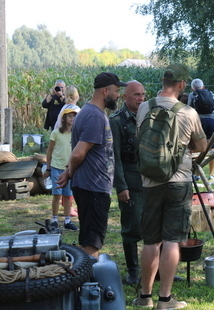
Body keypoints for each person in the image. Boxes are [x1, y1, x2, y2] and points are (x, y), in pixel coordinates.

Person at [133, 64, 206, 310]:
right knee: (172, 240)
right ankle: (165, 300)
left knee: (151, 241)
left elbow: (139, 138)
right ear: (182, 84)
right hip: (179, 181)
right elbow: (202, 145)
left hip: (149, 181)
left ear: (163, 81)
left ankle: (145, 297)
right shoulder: (188, 112)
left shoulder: (144, 106)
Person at [57, 72, 128, 258]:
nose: (118, 95)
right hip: (93, 187)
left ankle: (84, 279)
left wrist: (69, 173)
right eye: (116, 90)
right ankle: (90, 284)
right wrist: (70, 172)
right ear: (105, 91)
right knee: (92, 243)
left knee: (88, 237)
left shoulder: (88, 112)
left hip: (90, 185)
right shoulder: (94, 116)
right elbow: (79, 152)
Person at [109, 80, 146, 285]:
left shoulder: (148, 117)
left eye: (142, 95)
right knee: (131, 227)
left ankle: (156, 268)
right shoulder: (117, 121)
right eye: (136, 95)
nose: (141, 98)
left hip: (150, 180)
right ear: (125, 97)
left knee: (153, 225)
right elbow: (115, 158)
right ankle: (132, 270)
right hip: (130, 181)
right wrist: (121, 186)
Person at [44, 109, 79, 231]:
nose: (72, 119)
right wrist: (48, 168)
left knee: (68, 195)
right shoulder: (56, 133)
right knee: (57, 194)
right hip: (56, 167)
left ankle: (67, 220)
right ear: (63, 118)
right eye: (69, 116)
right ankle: (54, 219)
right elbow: (50, 151)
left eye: (74, 117)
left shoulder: (76, 133)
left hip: (69, 168)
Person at [188, 78, 214, 179]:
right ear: (203, 86)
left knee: (197, 147)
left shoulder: (192, 95)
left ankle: (197, 174)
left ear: (192, 88)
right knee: (212, 147)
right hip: (211, 121)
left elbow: (189, 109)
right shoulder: (211, 94)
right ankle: (211, 174)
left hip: (198, 122)